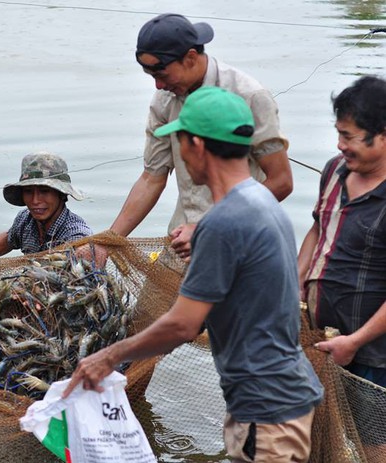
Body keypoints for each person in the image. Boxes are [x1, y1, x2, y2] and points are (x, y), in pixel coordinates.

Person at [64, 87, 323, 462]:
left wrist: (106, 357)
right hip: (280, 396)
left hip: (266, 411)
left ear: (197, 145)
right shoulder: (260, 199)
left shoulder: (224, 222)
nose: (180, 155)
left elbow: (182, 326)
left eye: (179, 142)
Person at [106, 13, 292, 260]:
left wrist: (209, 228)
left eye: (162, 75)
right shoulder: (165, 100)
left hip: (237, 237)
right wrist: (108, 242)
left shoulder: (248, 96)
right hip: (181, 237)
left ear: (191, 58)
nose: (158, 86)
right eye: (152, 78)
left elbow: (281, 181)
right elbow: (152, 178)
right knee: (151, 299)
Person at [298, 76, 386, 389]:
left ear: (382, 136)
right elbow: (318, 228)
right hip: (323, 339)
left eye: (349, 137)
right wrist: (296, 281)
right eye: (338, 134)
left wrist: (355, 342)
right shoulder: (335, 170)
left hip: (373, 355)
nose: (340, 145)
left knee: (374, 438)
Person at [0, 151, 92, 257]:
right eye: (28, 191)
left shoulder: (76, 234)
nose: (35, 201)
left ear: (61, 194)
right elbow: (9, 238)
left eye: (44, 191)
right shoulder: (25, 219)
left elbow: (85, 257)